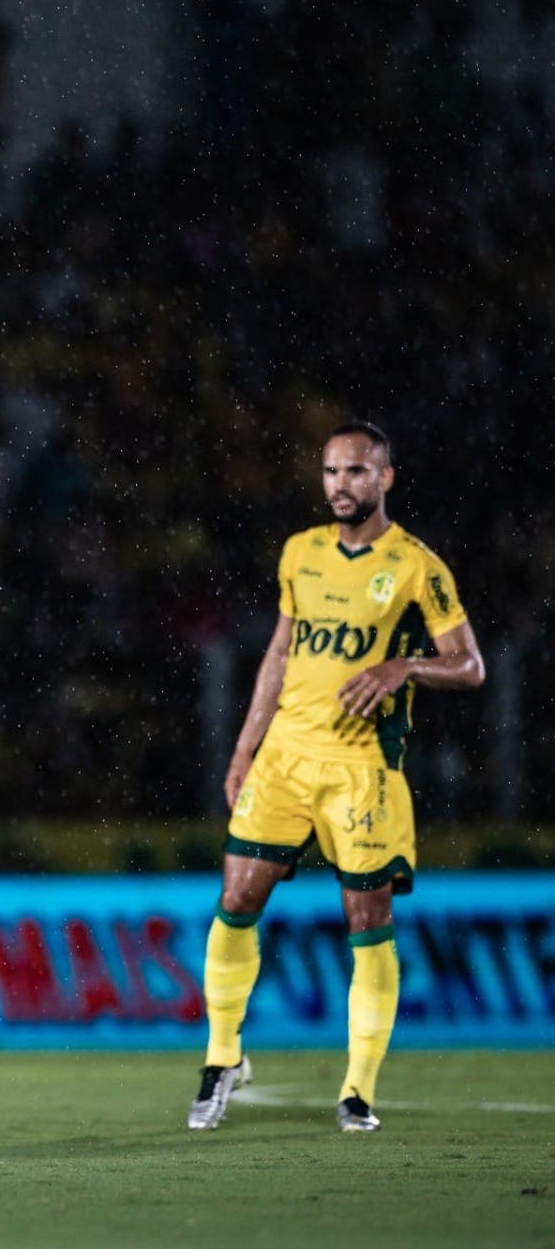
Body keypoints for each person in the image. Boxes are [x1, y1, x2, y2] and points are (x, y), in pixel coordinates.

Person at [190, 423, 484, 1133]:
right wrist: (243, 750)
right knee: (235, 898)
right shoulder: (301, 552)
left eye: (355, 471)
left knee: (367, 921)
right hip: (286, 758)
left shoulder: (417, 566)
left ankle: (356, 1091)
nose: (339, 485)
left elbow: (471, 666)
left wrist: (403, 666)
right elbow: (280, 655)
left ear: (386, 478)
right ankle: (222, 1056)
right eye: (329, 472)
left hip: (362, 769)